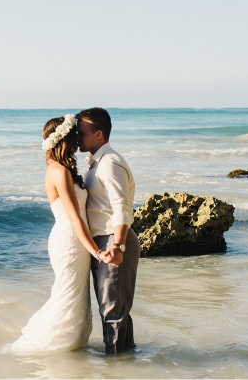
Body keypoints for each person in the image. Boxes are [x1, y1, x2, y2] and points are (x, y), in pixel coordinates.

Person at [11, 114, 108, 354]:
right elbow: (74, 217)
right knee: (68, 295)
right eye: (75, 134)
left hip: (73, 239)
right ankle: (51, 348)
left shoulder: (63, 168)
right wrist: (96, 251)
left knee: (74, 295)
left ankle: (73, 351)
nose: (78, 138)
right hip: (70, 241)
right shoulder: (60, 171)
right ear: (64, 138)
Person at [77, 107, 139, 354]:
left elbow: (121, 205)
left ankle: (113, 366)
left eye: (81, 133)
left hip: (113, 241)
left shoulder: (110, 163)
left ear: (98, 134)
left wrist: (118, 246)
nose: (77, 138)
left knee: (113, 311)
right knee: (117, 310)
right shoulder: (97, 163)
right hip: (107, 240)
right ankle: (125, 364)